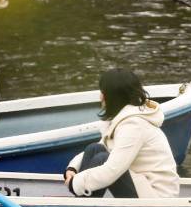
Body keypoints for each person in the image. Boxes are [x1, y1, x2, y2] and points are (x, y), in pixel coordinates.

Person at [63, 68, 180, 198]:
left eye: (103, 92)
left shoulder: (134, 125)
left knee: (102, 159)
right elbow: (104, 146)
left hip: (156, 198)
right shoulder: (125, 119)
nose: (101, 97)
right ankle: (83, 204)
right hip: (141, 184)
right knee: (95, 149)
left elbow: (112, 170)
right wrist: (72, 169)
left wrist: (75, 183)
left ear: (113, 96)